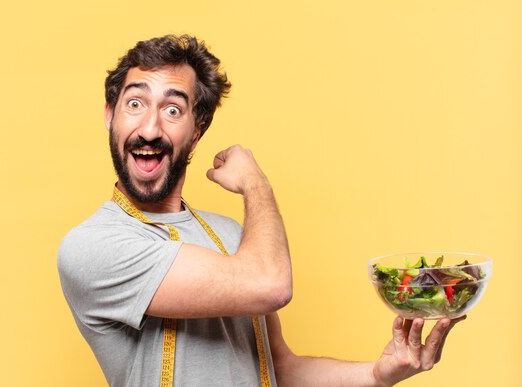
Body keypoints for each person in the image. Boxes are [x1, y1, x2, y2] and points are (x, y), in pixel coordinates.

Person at [57, 34, 464, 386]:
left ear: (196, 131)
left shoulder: (235, 236)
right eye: (134, 104)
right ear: (110, 116)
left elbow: (278, 370)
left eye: (173, 109)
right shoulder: (93, 246)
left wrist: (377, 373)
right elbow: (271, 284)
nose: (149, 128)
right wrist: (256, 184)